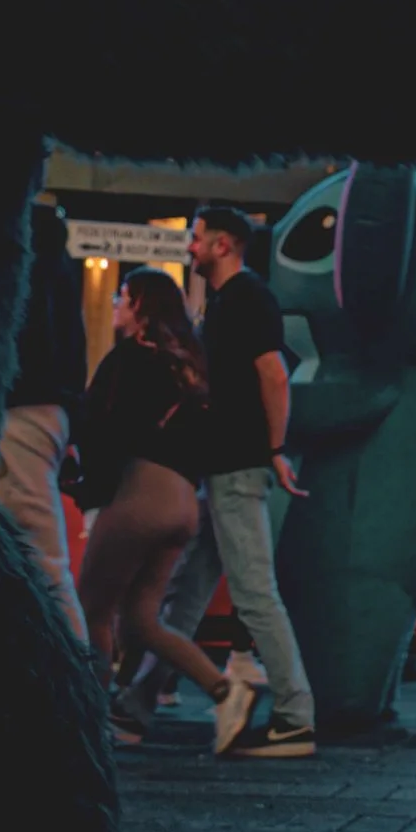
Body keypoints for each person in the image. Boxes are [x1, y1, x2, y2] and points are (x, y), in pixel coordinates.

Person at [139, 205, 315, 758]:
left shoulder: (247, 298)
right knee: (188, 589)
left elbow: (274, 375)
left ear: (223, 245)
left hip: (238, 466)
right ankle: (137, 701)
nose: (189, 248)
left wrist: (275, 450)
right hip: (222, 466)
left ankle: (296, 717)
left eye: (196, 239)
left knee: (255, 593)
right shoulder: (224, 302)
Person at [76, 270, 245, 745]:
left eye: (122, 298)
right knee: (143, 619)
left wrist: (91, 492)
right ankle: (225, 689)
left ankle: (89, 718)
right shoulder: (188, 364)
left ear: (140, 306)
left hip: (141, 493)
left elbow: (100, 426)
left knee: (93, 609)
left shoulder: (129, 359)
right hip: (183, 502)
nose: (115, 305)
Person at [0, 197, 89, 645]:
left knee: (40, 556)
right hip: (45, 410)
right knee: (36, 554)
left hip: (17, 407)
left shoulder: (18, 246)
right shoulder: (56, 256)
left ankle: (72, 671)